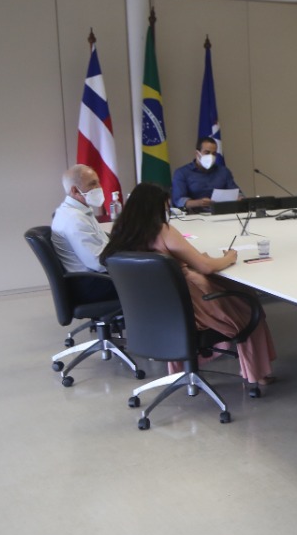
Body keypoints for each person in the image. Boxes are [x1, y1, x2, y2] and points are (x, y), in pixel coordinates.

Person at [99, 182, 276, 387]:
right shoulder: (163, 230)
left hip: (153, 310)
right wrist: (229, 257)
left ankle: (184, 369)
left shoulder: (121, 233)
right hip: (187, 305)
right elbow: (205, 267)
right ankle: (258, 374)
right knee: (247, 305)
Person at [49, 164, 118, 303]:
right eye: (92, 184)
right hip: (92, 284)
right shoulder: (74, 219)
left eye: (98, 182)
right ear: (75, 190)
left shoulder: (77, 212)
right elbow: (98, 262)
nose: (99, 187)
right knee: (151, 276)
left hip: (93, 278)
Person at [171, 136, 239, 211]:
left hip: (221, 212)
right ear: (197, 153)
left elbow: (235, 192)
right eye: (207, 153)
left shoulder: (223, 171)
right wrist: (198, 203)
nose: (211, 156)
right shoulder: (182, 173)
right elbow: (178, 200)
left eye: (214, 154)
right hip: (194, 215)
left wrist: (239, 198)